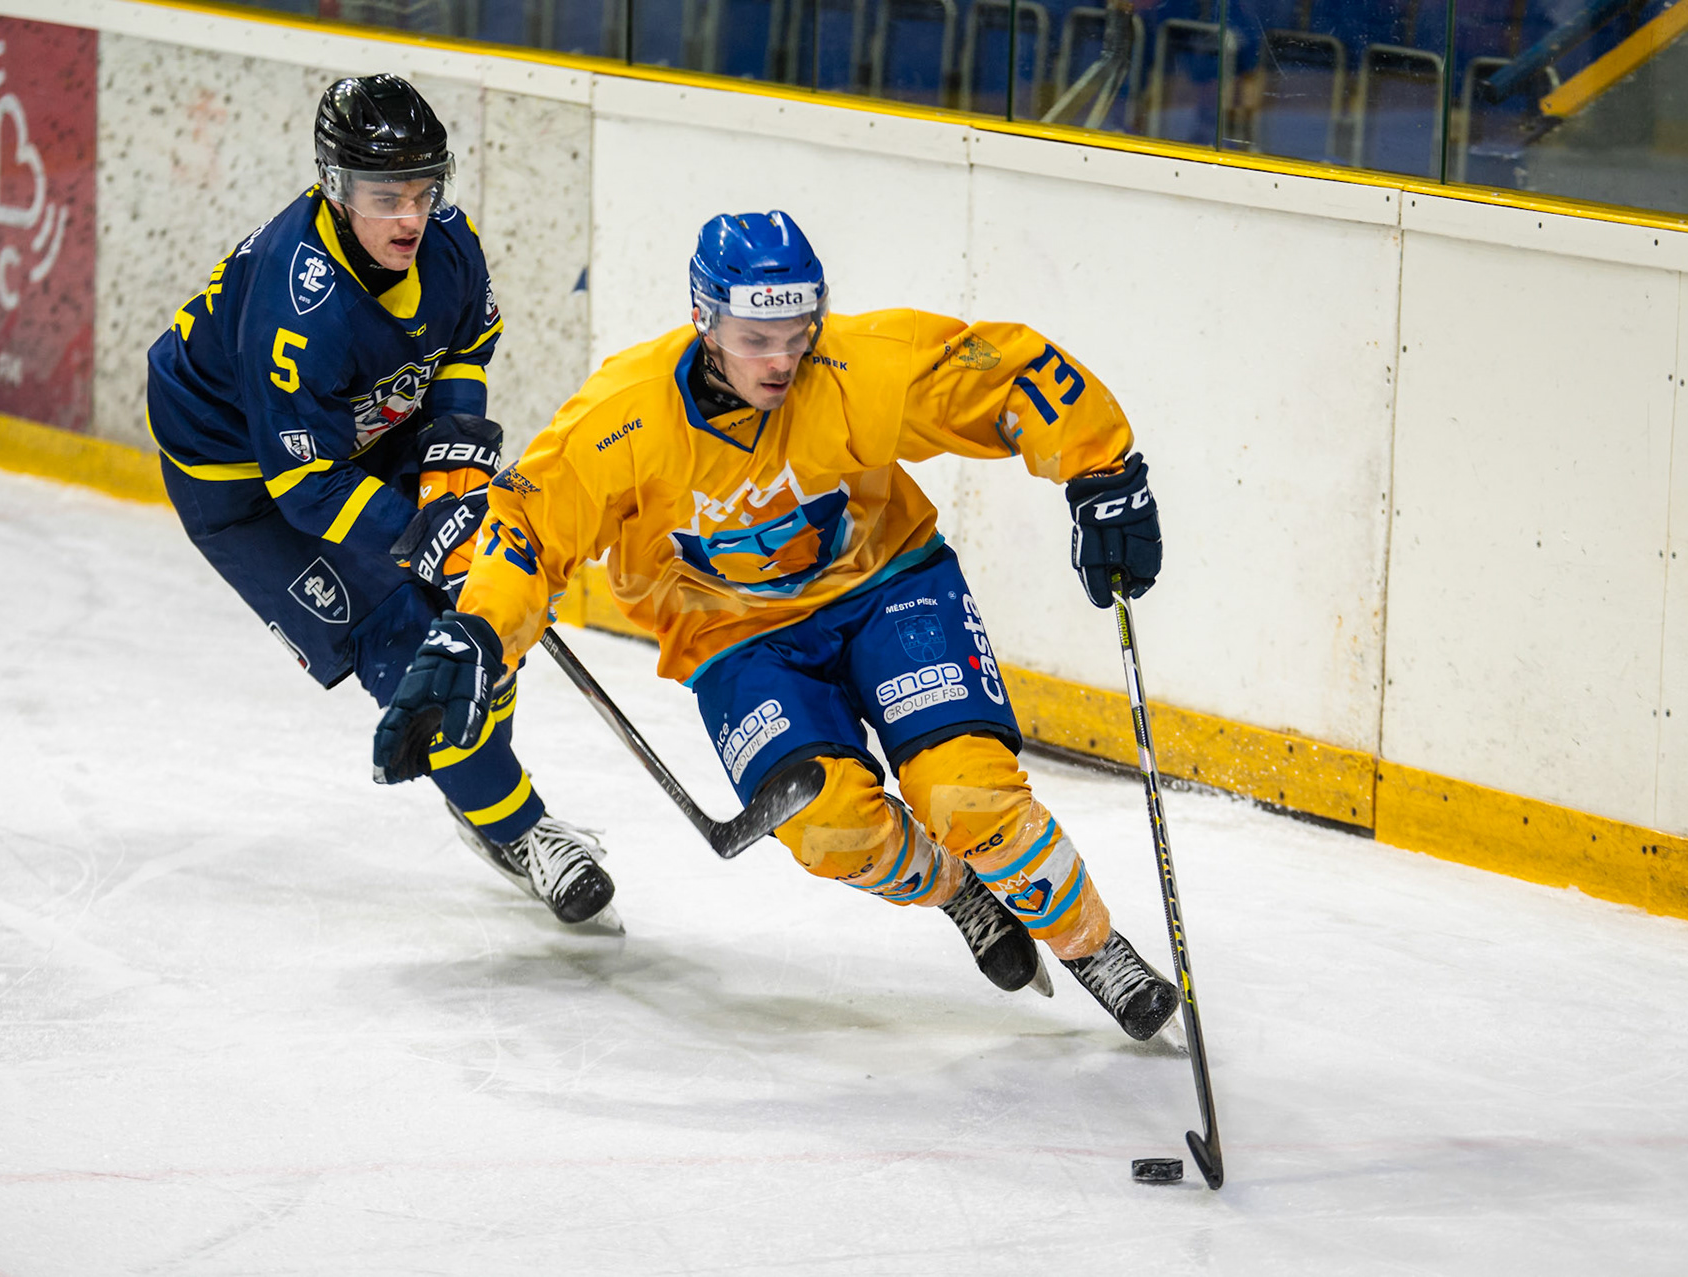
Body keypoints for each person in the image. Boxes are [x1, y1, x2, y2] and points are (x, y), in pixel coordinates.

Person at [374, 211, 1178, 1040]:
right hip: (733, 637)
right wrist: (479, 633)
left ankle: (1096, 950)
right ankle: (959, 890)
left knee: (967, 794)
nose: (782, 360)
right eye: (756, 338)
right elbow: (527, 530)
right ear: (705, 320)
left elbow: (1004, 374)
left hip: (889, 583)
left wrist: (1104, 471)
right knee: (832, 826)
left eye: (797, 333)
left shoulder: (853, 364)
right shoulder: (624, 414)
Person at [146, 74, 615, 929]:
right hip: (240, 476)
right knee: (405, 639)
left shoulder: (448, 241)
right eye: (384, 196)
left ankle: (483, 786)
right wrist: (418, 531)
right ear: (335, 186)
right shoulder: (298, 311)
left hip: (359, 421)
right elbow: (306, 488)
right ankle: (521, 829)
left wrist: (453, 482)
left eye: (423, 190)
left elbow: (465, 346)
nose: (410, 217)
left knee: (485, 591)